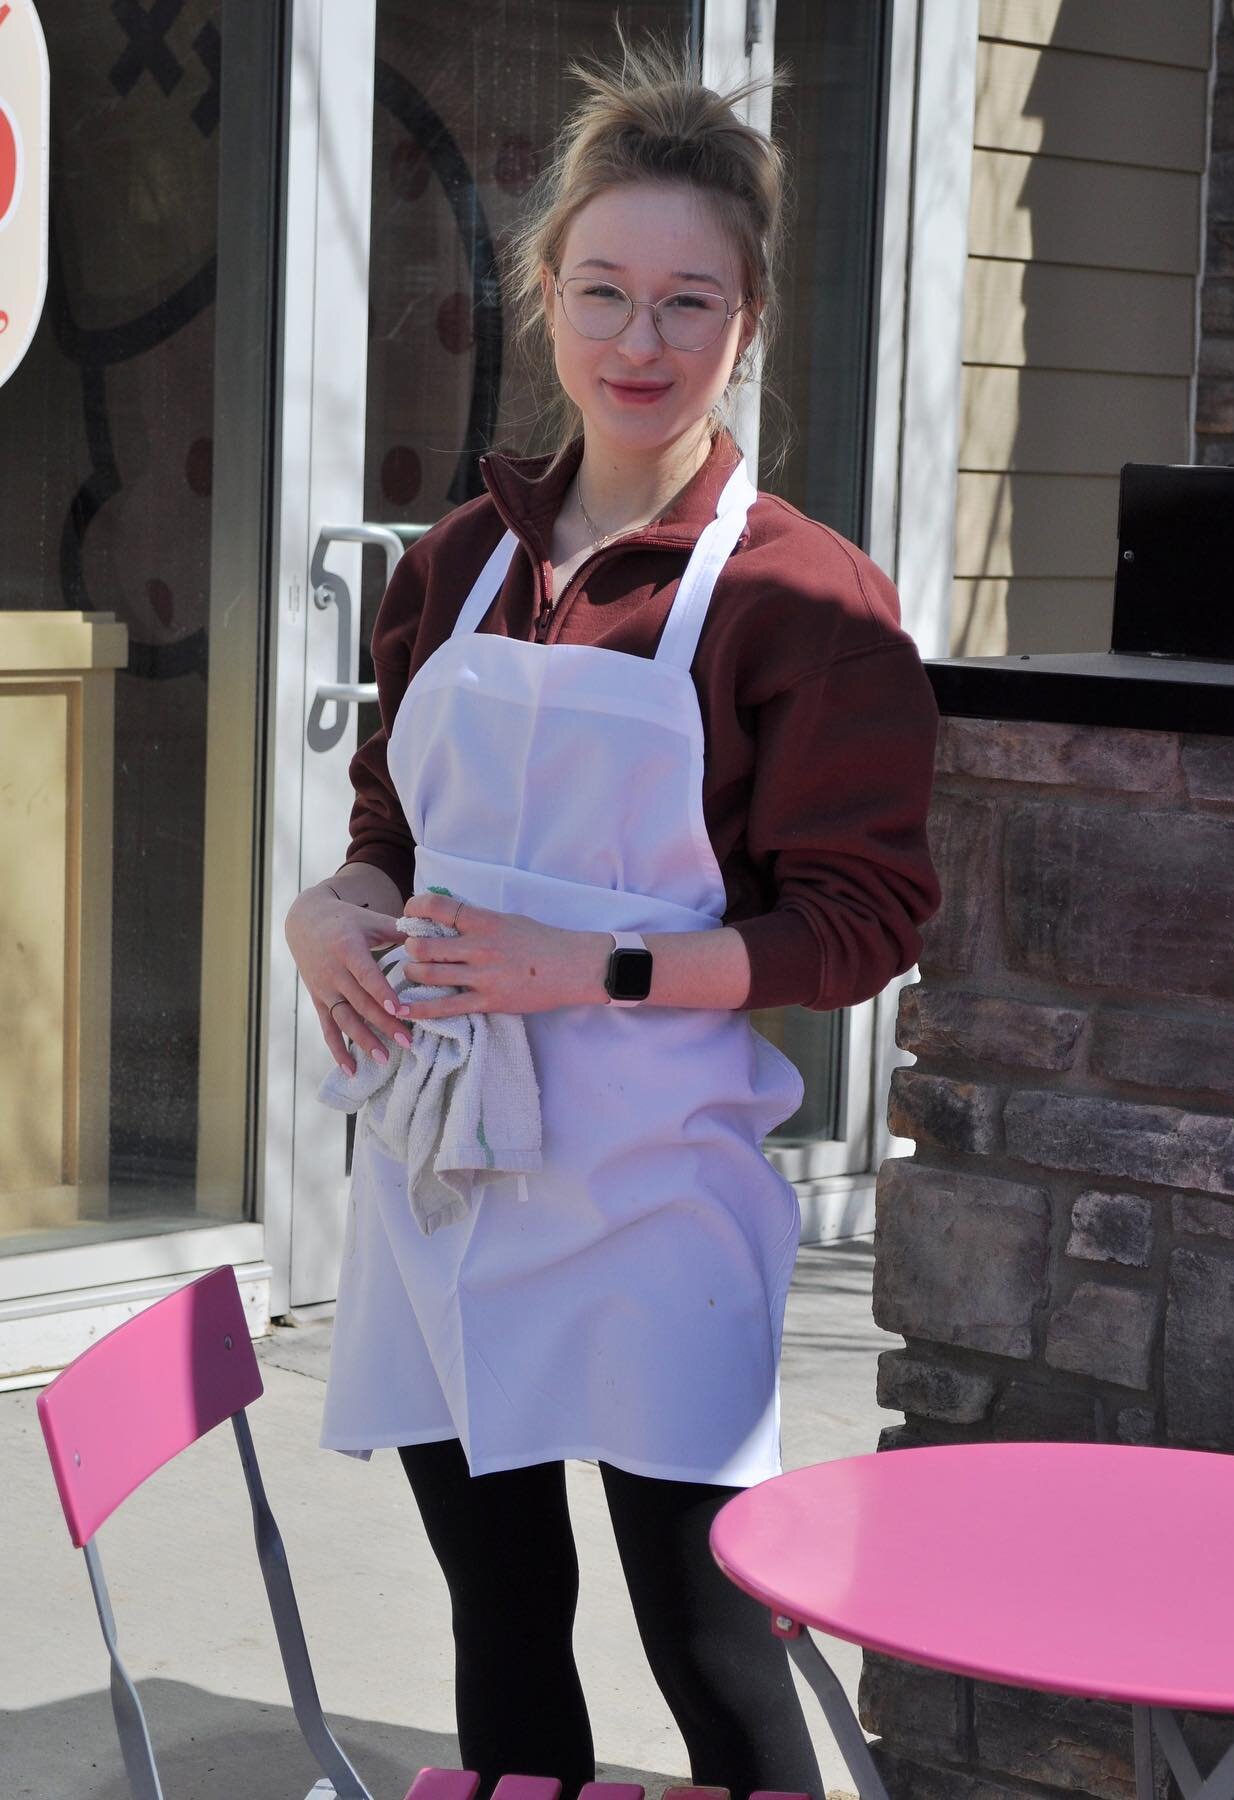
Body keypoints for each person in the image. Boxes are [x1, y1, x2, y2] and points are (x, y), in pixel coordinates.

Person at [284, 40, 940, 1800]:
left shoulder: (805, 597)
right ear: (545, 301)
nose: (638, 343)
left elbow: (861, 923)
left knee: (711, 1640)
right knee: (499, 1613)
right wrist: (325, 912)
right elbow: (389, 837)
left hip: (657, 1199)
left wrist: (598, 967)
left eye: (686, 301)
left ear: (748, 322)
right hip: (439, 1179)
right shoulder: (455, 567)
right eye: (602, 293)